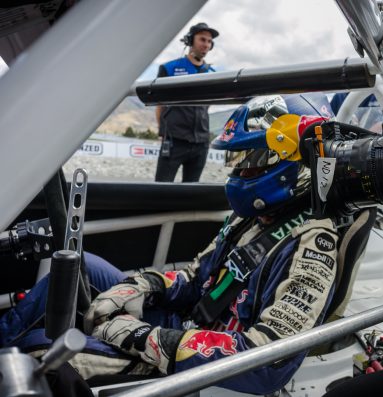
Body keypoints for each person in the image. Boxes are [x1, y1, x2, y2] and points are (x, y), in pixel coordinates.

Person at [0, 94, 342, 395]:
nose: (237, 174)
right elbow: (194, 279)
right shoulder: (250, 218)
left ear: (294, 162)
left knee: (38, 356)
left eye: (249, 161)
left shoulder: (313, 244)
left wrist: (141, 337)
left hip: (199, 364)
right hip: (183, 324)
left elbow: (267, 361)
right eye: (235, 161)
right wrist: (139, 286)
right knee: (78, 266)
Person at [154, 22, 218, 183]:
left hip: (201, 144)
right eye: (202, 39)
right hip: (174, 141)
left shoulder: (212, 74)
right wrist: (163, 132)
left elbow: (207, 105)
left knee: (190, 193)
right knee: (161, 191)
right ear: (190, 41)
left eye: (209, 41)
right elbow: (159, 103)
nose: (206, 45)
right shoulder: (169, 69)